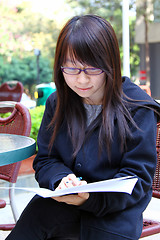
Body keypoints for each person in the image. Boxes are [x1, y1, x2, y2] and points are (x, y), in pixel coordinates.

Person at [6, 14, 160, 240]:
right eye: (71, 69)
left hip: (114, 214)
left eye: (91, 69)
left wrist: (89, 197)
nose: (82, 80)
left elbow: (137, 180)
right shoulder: (58, 102)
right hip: (61, 205)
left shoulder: (138, 109)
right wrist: (62, 180)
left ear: (109, 64)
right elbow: (46, 159)